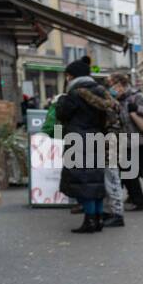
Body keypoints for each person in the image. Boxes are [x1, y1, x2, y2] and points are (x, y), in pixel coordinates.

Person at [55, 55, 115, 234]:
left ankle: (89, 221)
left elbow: (63, 115)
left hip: (78, 140)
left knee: (84, 181)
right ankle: (97, 219)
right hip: (97, 137)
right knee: (95, 180)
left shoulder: (74, 94)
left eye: (67, 76)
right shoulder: (101, 92)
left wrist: (61, 100)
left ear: (72, 76)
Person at [110, 74, 143, 212]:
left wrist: (138, 109)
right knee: (127, 172)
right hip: (128, 142)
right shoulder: (115, 102)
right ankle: (138, 201)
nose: (112, 89)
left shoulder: (136, 97)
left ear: (121, 85)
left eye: (113, 86)